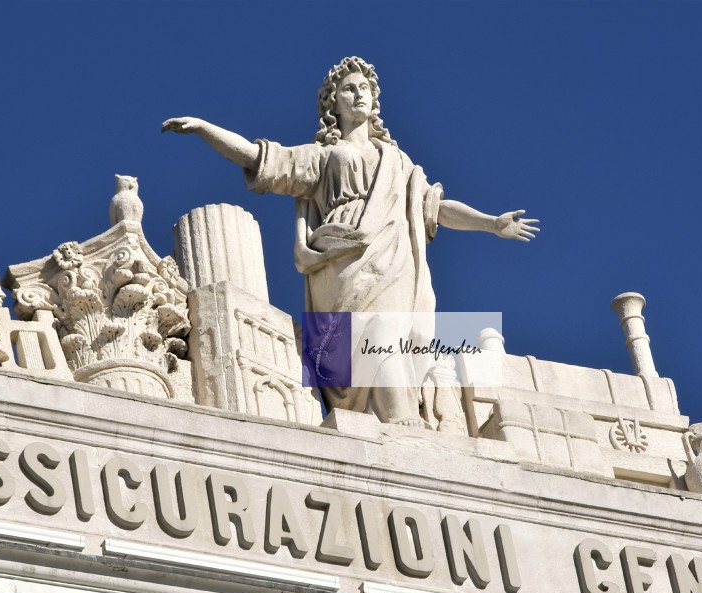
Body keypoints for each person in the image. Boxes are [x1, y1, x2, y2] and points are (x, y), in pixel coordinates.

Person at [163, 56, 537, 426]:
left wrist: (491, 223)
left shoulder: (398, 162)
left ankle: (395, 416)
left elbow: (436, 208)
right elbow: (261, 159)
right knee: (372, 332)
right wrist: (204, 128)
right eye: (349, 89)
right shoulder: (323, 157)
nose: (359, 95)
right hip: (343, 261)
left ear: (375, 101)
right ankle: (400, 419)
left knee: (398, 335)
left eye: (366, 89)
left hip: (396, 259)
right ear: (333, 103)